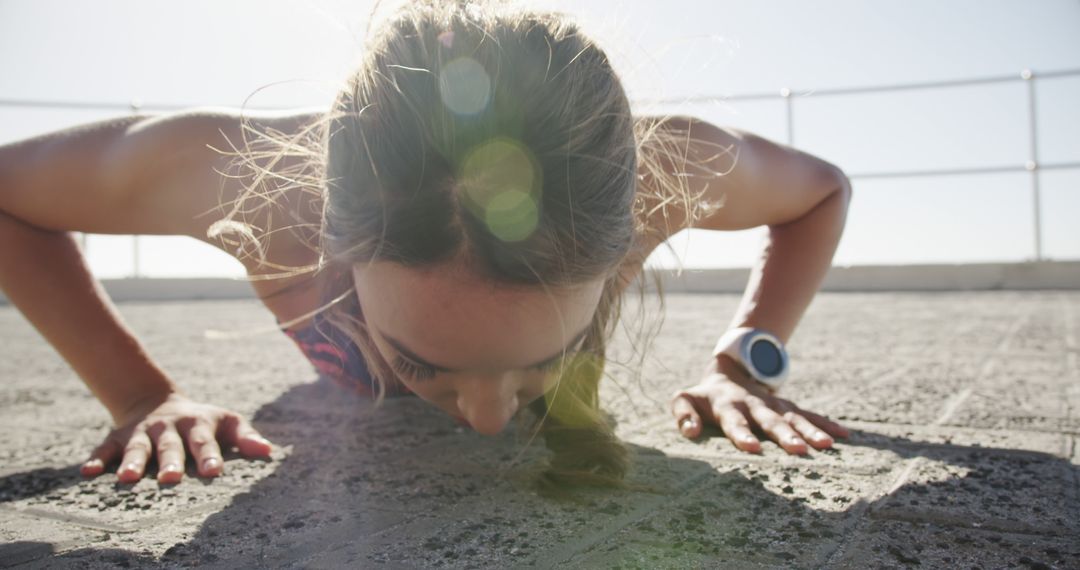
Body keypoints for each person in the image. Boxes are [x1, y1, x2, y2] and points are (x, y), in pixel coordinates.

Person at [0, 0, 850, 493]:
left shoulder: (663, 169)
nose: (487, 424)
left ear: (627, 225)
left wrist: (745, 364)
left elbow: (820, 192)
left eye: (540, 360)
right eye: (418, 363)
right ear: (329, 235)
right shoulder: (245, 186)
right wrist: (138, 394)